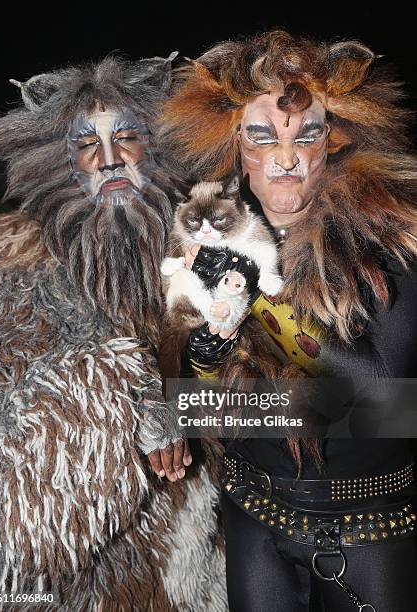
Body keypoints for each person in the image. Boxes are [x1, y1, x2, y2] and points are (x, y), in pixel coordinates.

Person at [161, 30, 417, 611]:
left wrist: (258, 294)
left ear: (336, 139)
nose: (285, 158)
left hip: (366, 527)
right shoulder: (206, 229)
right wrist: (198, 358)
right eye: (261, 136)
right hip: (253, 517)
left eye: (307, 134)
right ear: (233, 144)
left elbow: (391, 404)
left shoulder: (390, 233)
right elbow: (200, 404)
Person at [0, 56, 227, 611]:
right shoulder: (11, 265)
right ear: (63, 163)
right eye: (88, 145)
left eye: (127, 137)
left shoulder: (221, 251)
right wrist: (125, 403)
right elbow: (6, 452)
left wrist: (184, 406)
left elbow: (354, 410)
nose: (111, 158)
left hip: (208, 570)